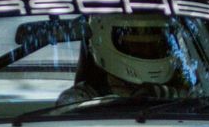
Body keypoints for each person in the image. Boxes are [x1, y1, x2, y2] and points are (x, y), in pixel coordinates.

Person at [56, 16, 193, 106]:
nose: (146, 51)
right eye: (137, 45)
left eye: (154, 46)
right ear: (104, 43)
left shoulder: (178, 98)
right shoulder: (77, 101)